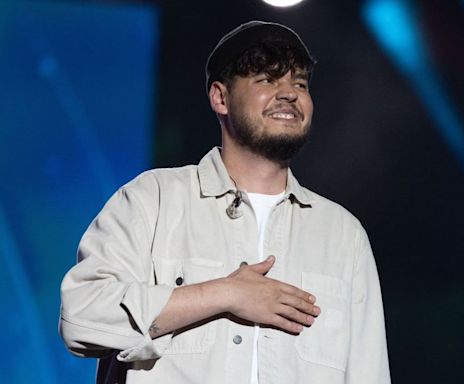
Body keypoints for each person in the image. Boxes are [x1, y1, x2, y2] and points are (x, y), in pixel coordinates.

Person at [59, 20, 391, 384]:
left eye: (300, 83)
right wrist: (225, 293)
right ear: (220, 98)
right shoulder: (152, 200)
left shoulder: (342, 234)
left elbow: (367, 373)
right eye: (267, 79)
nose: (289, 94)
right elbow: (81, 317)